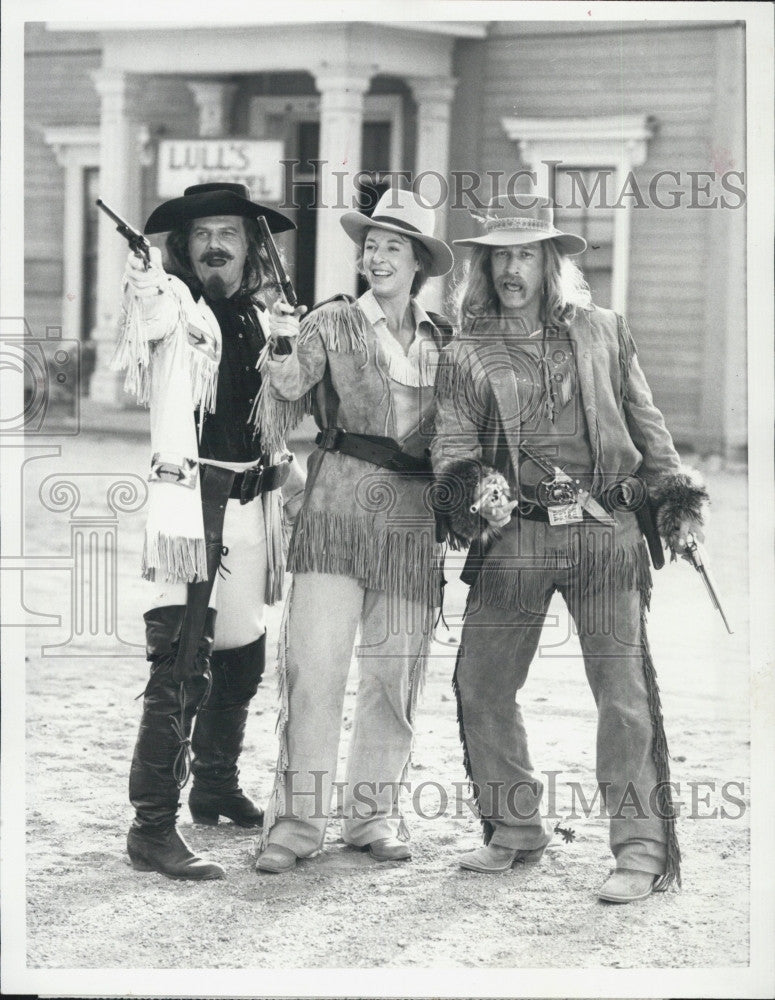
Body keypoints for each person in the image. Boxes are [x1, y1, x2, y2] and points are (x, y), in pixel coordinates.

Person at [431, 194, 709, 903]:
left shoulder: (603, 331)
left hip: (604, 534)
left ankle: (640, 849)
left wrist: (676, 502)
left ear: (550, 261)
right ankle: (513, 827)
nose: (509, 268)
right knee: (481, 686)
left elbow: (647, 426)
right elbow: (453, 446)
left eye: (524, 253)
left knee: (622, 698)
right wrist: (475, 489)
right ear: (483, 265)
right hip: (515, 534)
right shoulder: (465, 351)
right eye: (497, 255)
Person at [253, 188, 454, 874]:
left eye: (392, 245)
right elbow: (285, 388)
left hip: (409, 522)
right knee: (315, 671)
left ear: (419, 260)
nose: (376, 255)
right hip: (335, 512)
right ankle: (296, 824)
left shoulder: (443, 339)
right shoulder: (330, 322)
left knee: (392, 679)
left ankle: (371, 817)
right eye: (370, 244)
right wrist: (279, 336)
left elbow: (462, 436)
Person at [116, 182, 304, 880]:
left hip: (254, 502)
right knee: (180, 666)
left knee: (241, 659)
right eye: (202, 235)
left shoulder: (260, 316)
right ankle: (152, 827)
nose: (215, 244)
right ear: (184, 248)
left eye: (228, 231)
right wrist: (143, 271)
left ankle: (216, 786)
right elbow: (149, 304)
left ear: (251, 245)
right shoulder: (176, 305)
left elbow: (276, 412)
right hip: (194, 503)